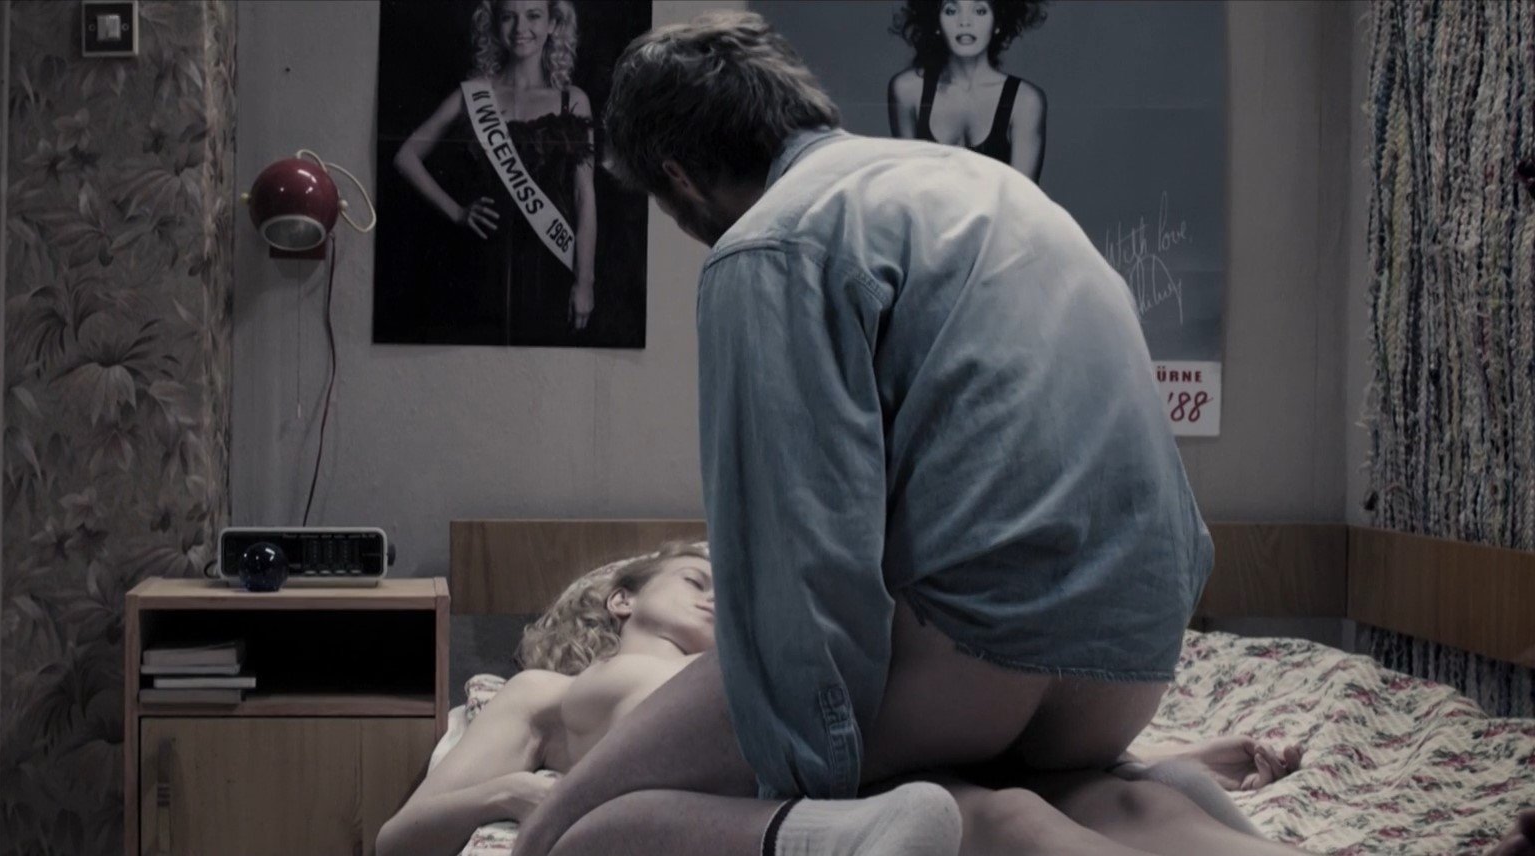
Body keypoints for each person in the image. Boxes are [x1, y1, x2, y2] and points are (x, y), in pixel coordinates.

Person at [507, 11, 1300, 856]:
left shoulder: (770, 242)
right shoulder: (996, 189)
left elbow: (800, 571)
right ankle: (1140, 807)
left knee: (593, 832)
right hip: (1130, 665)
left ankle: (546, 844)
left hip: (975, 663)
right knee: (1017, 794)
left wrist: (799, 774)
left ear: (679, 178)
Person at [378, 543, 1307, 856]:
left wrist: (1161, 751)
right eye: (695, 577)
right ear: (622, 598)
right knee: (993, 818)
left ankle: (1156, 796)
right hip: (742, 797)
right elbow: (400, 838)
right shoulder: (548, 689)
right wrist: (516, 793)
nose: (718, 595)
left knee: (1036, 806)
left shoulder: (762, 661)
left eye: (733, 587)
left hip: (855, 763)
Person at [392, 0, 600, 345]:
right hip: (479, 266)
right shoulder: (473, 95)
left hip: (549, 265)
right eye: (508, 17)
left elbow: (584, 195)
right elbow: (406, 156)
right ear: (494, 25)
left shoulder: (573, 100)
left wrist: (585, 281)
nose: (520, 29)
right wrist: (457, 212)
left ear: (552, 24)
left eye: (533, 16)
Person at [887, 0, 1048, 183]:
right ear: (936, 22)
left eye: (979, 11)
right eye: (951, 11)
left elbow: (1021, 196)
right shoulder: (907, 90)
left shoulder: (1025, 101)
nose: (965, 22)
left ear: (997, 22)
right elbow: (907, 189)